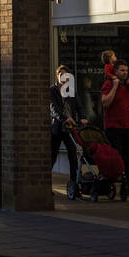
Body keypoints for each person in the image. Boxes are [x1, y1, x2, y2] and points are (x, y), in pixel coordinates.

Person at [101, 59, 129, 199]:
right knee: (115, 158)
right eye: (122, 70)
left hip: (128, 127)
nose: (125, 73)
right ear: (116, 71)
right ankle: (110, 185)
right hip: (113, 127)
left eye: (126, 70)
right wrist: (115, 86)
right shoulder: (108, 84)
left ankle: (126, 185)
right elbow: (105, 103)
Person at [51, 64, 88, 194]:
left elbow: (80, 106)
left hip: (69, 128)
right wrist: (63, 118)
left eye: (66, 75)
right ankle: (46, 185)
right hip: (58, 127)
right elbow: (53, 109)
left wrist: (83, 117)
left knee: (73, 155)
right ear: (57, 76)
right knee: (52, 157)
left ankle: (74, 184)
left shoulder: (70, 91)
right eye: (61, 74)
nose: (63, 77)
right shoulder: (52, 90)